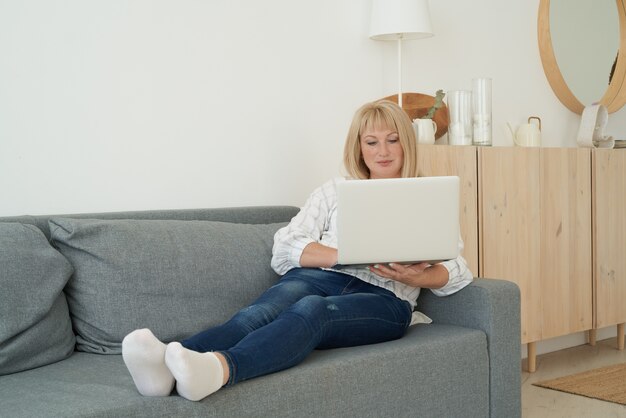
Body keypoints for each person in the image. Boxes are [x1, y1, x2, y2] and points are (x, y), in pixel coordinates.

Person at [122, 99, 473, 402]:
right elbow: (285, 247)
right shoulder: (334, 191)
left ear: (406, 145)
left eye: (393, 140)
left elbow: (458, 268)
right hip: (320, 276)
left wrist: (419, 275)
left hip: (384, 299)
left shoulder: (426, 197)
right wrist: (344, 254)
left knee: (312, 310)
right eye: (372, 142)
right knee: (258, 313)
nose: (383, 151)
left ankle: (220, 370)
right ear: (359, 148)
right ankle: (167, 364)